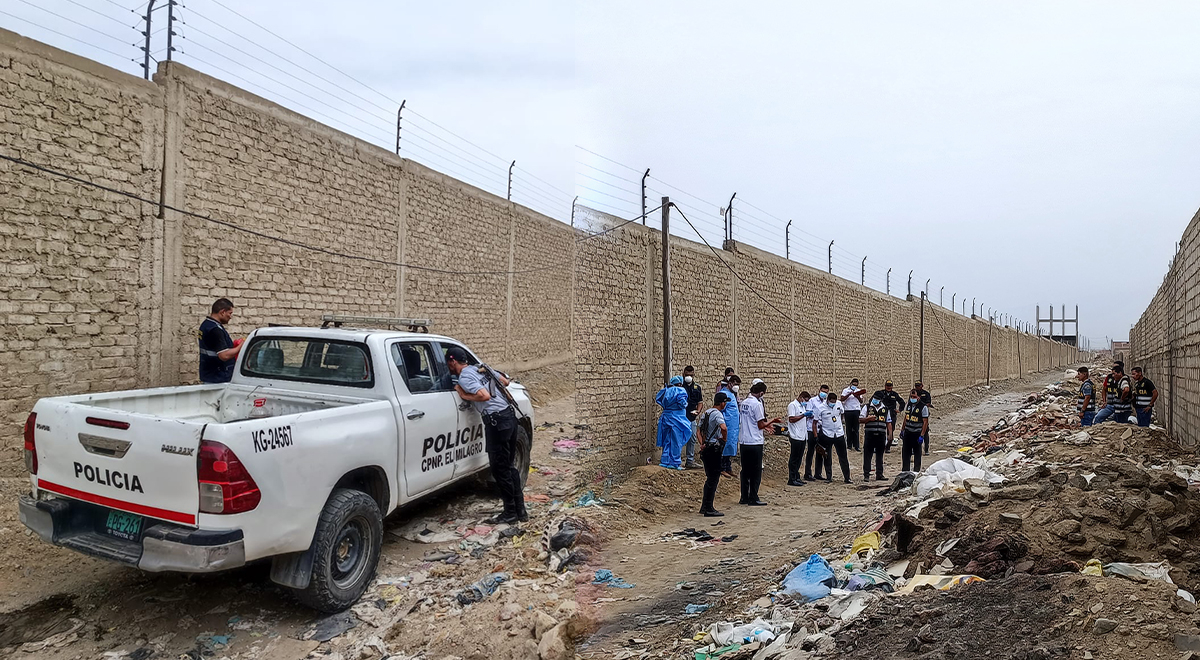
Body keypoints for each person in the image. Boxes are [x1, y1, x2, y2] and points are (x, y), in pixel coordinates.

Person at [446, 347, 527, 524]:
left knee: (500, 468)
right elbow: (505, 382)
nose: (448, 367)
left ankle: (510, 512)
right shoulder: (480, 368)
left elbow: (484, 396)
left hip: (497, 422)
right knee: (509, 465)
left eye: (448, 363)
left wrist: (463, 394)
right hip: (509, 417)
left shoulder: (465, 377)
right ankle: (520, 510)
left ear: (453, 362)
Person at [738, 380, 780, 505]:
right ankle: (753, 497)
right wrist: (772, 421)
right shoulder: (757, 404)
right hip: (755, 441)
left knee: (745, 470)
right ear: (761, 393)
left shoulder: (744, 402)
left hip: (744, 441)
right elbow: (760, 424)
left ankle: (744, 496)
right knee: (756, 471)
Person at [698, 392, 731, 517]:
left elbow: (698, 431)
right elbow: (724, 428)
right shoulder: (717, 414)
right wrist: (724, 439)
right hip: (714, 449)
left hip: (706, 448)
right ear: (722, 403)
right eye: (725, 402)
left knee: (709, 478)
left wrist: (702, 443)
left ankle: (704, 506)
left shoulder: (706, 413)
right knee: (714, 478)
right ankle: (709, 508)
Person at [198, 298, 245, 384]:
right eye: (230, 313)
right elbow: (224, 355)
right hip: (218, 377)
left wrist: (231, 345)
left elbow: (214, 346)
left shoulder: (206, 324)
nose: (230, 317)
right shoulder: (215, 329)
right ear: (222, 312)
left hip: (209, 375)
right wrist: (241, 346)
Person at [655, 376, 692, 470]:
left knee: (667, 441)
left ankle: (665, 461)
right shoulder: (680, 391)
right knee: (676, 441)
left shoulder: (666, 390)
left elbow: (659, 400)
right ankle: (675, 462)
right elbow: (682, 403)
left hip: (666, 418)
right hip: (677, 419)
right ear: (680, 383)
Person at [814, 392, 851, 484]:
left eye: (834, 401)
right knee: (827, 456)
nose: (833, 403)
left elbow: (842, 414)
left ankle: (847, 477)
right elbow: (814, 422)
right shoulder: (820, 408)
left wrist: (840, 423)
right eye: (831, 401)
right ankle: (829, 477)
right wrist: (816, 436)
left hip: (839, 434)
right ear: (827, 400)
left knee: (843, 456)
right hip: (827, 434)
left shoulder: (838, 404)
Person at [804, 385, 831, 481]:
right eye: (823, 391)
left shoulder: (826, 402)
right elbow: (808, 412)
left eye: (826, 392)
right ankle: (807, 473)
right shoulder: (812, 401)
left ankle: (818, 473)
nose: (824, 393)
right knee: (810, 452)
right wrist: (813, 414)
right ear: (819, 390)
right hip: (812, 428)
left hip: (822, 429)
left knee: (820, 451)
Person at [900, 388, 929, 472]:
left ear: (919, 397)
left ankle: (916, 471)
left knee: (917, 453)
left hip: (917, 433)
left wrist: (922, 435)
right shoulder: (908, 405)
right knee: (906, 453)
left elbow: (925, 422)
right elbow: (906, 418)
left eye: (914, 396)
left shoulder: (923, 407)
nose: (912, 398)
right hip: (908, 432)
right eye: (911, 396)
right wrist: (902, 430)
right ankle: (905, 471)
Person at [860, 394, 889, 481]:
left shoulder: (885, 409)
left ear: (880, 400)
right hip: (870, 434)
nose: (875, 400)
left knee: (880, 455)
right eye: (874, 398)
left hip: (881, 435)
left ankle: (879, 474)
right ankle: (866, 474)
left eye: (877, 399)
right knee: (868, 455)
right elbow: (860, 420)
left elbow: (888, 422)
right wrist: (868, 419)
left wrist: (890, 435)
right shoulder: (867, 407)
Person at [786, 392, 812, 487]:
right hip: (795, 435)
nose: (805, 402)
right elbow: (791, 419)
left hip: (802, 435)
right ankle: (791, 478)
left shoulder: (802, 407)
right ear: (801, 397)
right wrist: (804, 415)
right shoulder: (792, 405)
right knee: (794, 458)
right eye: (805, 400)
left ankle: (796, 476)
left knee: (799, 458)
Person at [681, 366, 704, 469]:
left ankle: (690, 460)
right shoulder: (680, 386)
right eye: (687, 375)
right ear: (683, 374)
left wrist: (698, 411)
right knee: (679, 438)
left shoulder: (697, 388)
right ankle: (676, 459)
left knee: (692, 438)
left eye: (691, 375)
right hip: (680, 417)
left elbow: (700, 402)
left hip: (691, 418)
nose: (689, 377)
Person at [871, 380, 904, 451]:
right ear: (885, 386)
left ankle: (888, 447)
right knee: (881, 430)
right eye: (887, 385)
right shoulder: (881, 393)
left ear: (892, 386)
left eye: (890, 386)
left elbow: (902, 402)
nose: (889, 387)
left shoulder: (894, 394)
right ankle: (880, 446)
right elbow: (872, 400)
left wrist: (899, 410)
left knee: (891, 431)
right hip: (882, 414)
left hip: (892, 414)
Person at [718, 376, 741, 477]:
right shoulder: (723, 394)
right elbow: (721, 409)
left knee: (730, 446)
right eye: (735, 384)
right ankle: (721, 468)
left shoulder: (732, 394)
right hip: (727, 425)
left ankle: (728, 467)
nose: (736, 386)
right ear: (729, 383)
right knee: (724, 446)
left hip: (733, 427)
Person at [841, 379, 866, 452]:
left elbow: (861, 401)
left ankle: (856, 446)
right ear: (851, 384)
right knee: (848, 428)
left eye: (856, 385)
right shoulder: (845, 390)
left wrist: (857, 395)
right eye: (853, 385)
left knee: (856, 429)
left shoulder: (858, 391)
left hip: (856, 410)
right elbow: (842, 399)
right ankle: (849, 445)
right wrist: (849, 394)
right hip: (848, 410)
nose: (854, 386)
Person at [914, 381, 933, 456]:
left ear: (922, 386)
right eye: (916, 386)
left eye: (919, 386)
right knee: (914, 431)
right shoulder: (913, 393)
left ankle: (926, 449)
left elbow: (928, 403)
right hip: (915, 415)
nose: (917, 387)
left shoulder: (926, 394)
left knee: (925, 432)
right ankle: (915, 449)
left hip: (923, 415)